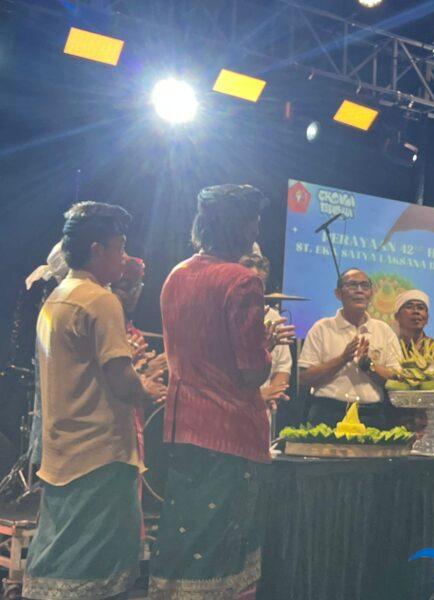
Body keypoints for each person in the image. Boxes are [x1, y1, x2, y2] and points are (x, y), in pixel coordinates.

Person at [150, 184, 292, 598]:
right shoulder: (242, 281)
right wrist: (266, 345)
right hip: (229, 430)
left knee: (186, 535)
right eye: (254, 221)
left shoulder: (176, 275)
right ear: (241, 225)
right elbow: (251, 372)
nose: (257, 230)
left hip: (182, 426)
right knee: (224, 546)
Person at [23, 202, 166, 600]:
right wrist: (147, 388)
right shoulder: (100, 300)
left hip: (62, 451)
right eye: (120, 247)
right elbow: (121, 380)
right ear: (96, 249)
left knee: (58, 558)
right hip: (100, 455)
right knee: (99, 571)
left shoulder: (58, 297)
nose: (124, 257)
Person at [298, 268, 402, 429]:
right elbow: (305, 377)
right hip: (328, 413)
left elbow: (397, 378)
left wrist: (369, 366)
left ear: (371, 293)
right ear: (338, 293)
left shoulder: (384, 330)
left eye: (365, 286)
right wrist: (342, 359)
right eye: (352, 285)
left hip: (372, 415)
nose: (359, 290)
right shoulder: (322, 328)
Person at [239, 253, 293, 411]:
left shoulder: (274, 318)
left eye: (259, 284)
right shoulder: (224, 313)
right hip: (231, 409)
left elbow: (283, 366)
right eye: (248, 283)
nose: (254, 290)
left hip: (263, 411)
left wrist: (274, 393)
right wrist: (256, 397)